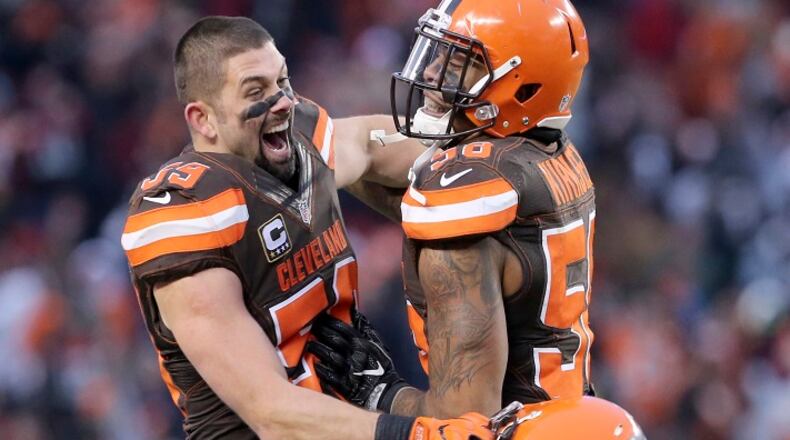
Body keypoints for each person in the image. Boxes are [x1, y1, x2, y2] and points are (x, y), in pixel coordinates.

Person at [120, 15, 495, 440]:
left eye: (281, 81)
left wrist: (491, 153)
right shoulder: (188, 211)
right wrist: (423, 435)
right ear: (203, 120)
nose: (280, 102)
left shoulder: (301, 142)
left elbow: (371, 143)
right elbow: (273, 414)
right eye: (255, 91)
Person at [310, 0, 599, 420]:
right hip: (571, 416)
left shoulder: (470, 192)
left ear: (523, 86)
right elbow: (375, 153)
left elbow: (464, 420)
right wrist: (301, 141)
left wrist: (379, 392)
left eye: (459, 61)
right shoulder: (545, 152)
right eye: (440, 52)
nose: (431, 73)